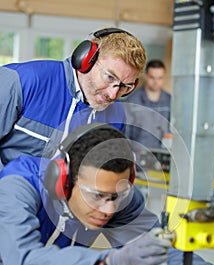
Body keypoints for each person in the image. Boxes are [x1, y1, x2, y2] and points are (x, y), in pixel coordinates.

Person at [0, 122, 214, 265]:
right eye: (96, 196)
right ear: (63, 180)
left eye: (115, 197)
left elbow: (152, 247)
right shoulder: (17, 188)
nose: (108, 209)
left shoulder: (117, 195)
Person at [0, 27, 146, 169]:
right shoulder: (20, 81)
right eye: (109, 77)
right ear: (86, 59)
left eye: (125, 86)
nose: (113, 95)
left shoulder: (116, 114)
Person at [124, 59, 171, 150]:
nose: (156, 82)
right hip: (137, 155)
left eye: (160, 78)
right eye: (152, 77)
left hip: (162, 156)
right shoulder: (132, 100)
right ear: (145, 76)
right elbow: (126, 131)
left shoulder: (169, 101)